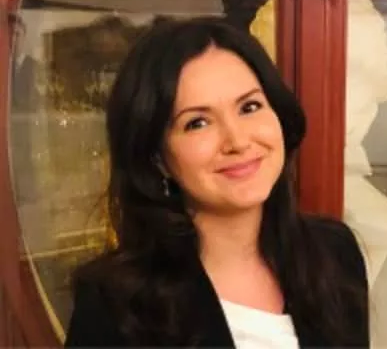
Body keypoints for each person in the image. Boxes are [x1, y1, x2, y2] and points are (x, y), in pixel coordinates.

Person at [65, 17, 369, 348]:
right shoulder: (114, 302)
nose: (237, 141)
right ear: (156, 157)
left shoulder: (333, 254)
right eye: (197, 123)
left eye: (249, 106)